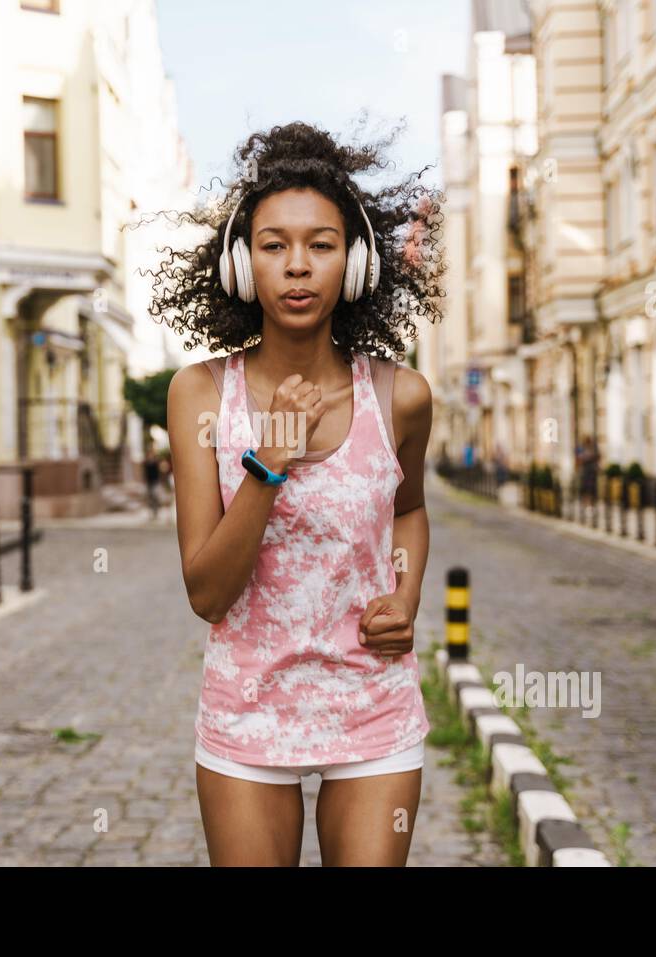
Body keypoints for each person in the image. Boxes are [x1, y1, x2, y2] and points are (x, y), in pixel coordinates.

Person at [156, 121, 444, 866]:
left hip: (372, 706)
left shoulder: (400, 396)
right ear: (241, 261)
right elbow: (207, 592)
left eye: (321, 244)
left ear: (353, 262)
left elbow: (408, 511)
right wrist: (269, 462)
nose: (297, 266)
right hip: (247, 713)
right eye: (273, 244)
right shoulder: (198, 396)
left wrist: (405, 596)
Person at [577, 433, 599, 520]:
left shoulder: (594, 448)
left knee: (592, 489)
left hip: (591, 472)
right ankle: (586, 505)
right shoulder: (581, 448)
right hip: (585, 473)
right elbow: (579, 458)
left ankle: (591, 506)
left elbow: (597, 456)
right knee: (585, 489)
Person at [143, 447, 162, 520]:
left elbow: (159, 473)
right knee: (150, 499)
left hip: (155, 482)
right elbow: (145, 473)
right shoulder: (146, 463)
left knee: (155, 498)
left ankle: (156, 513)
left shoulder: (156, 462)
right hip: (149, 483)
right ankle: (151, 514)